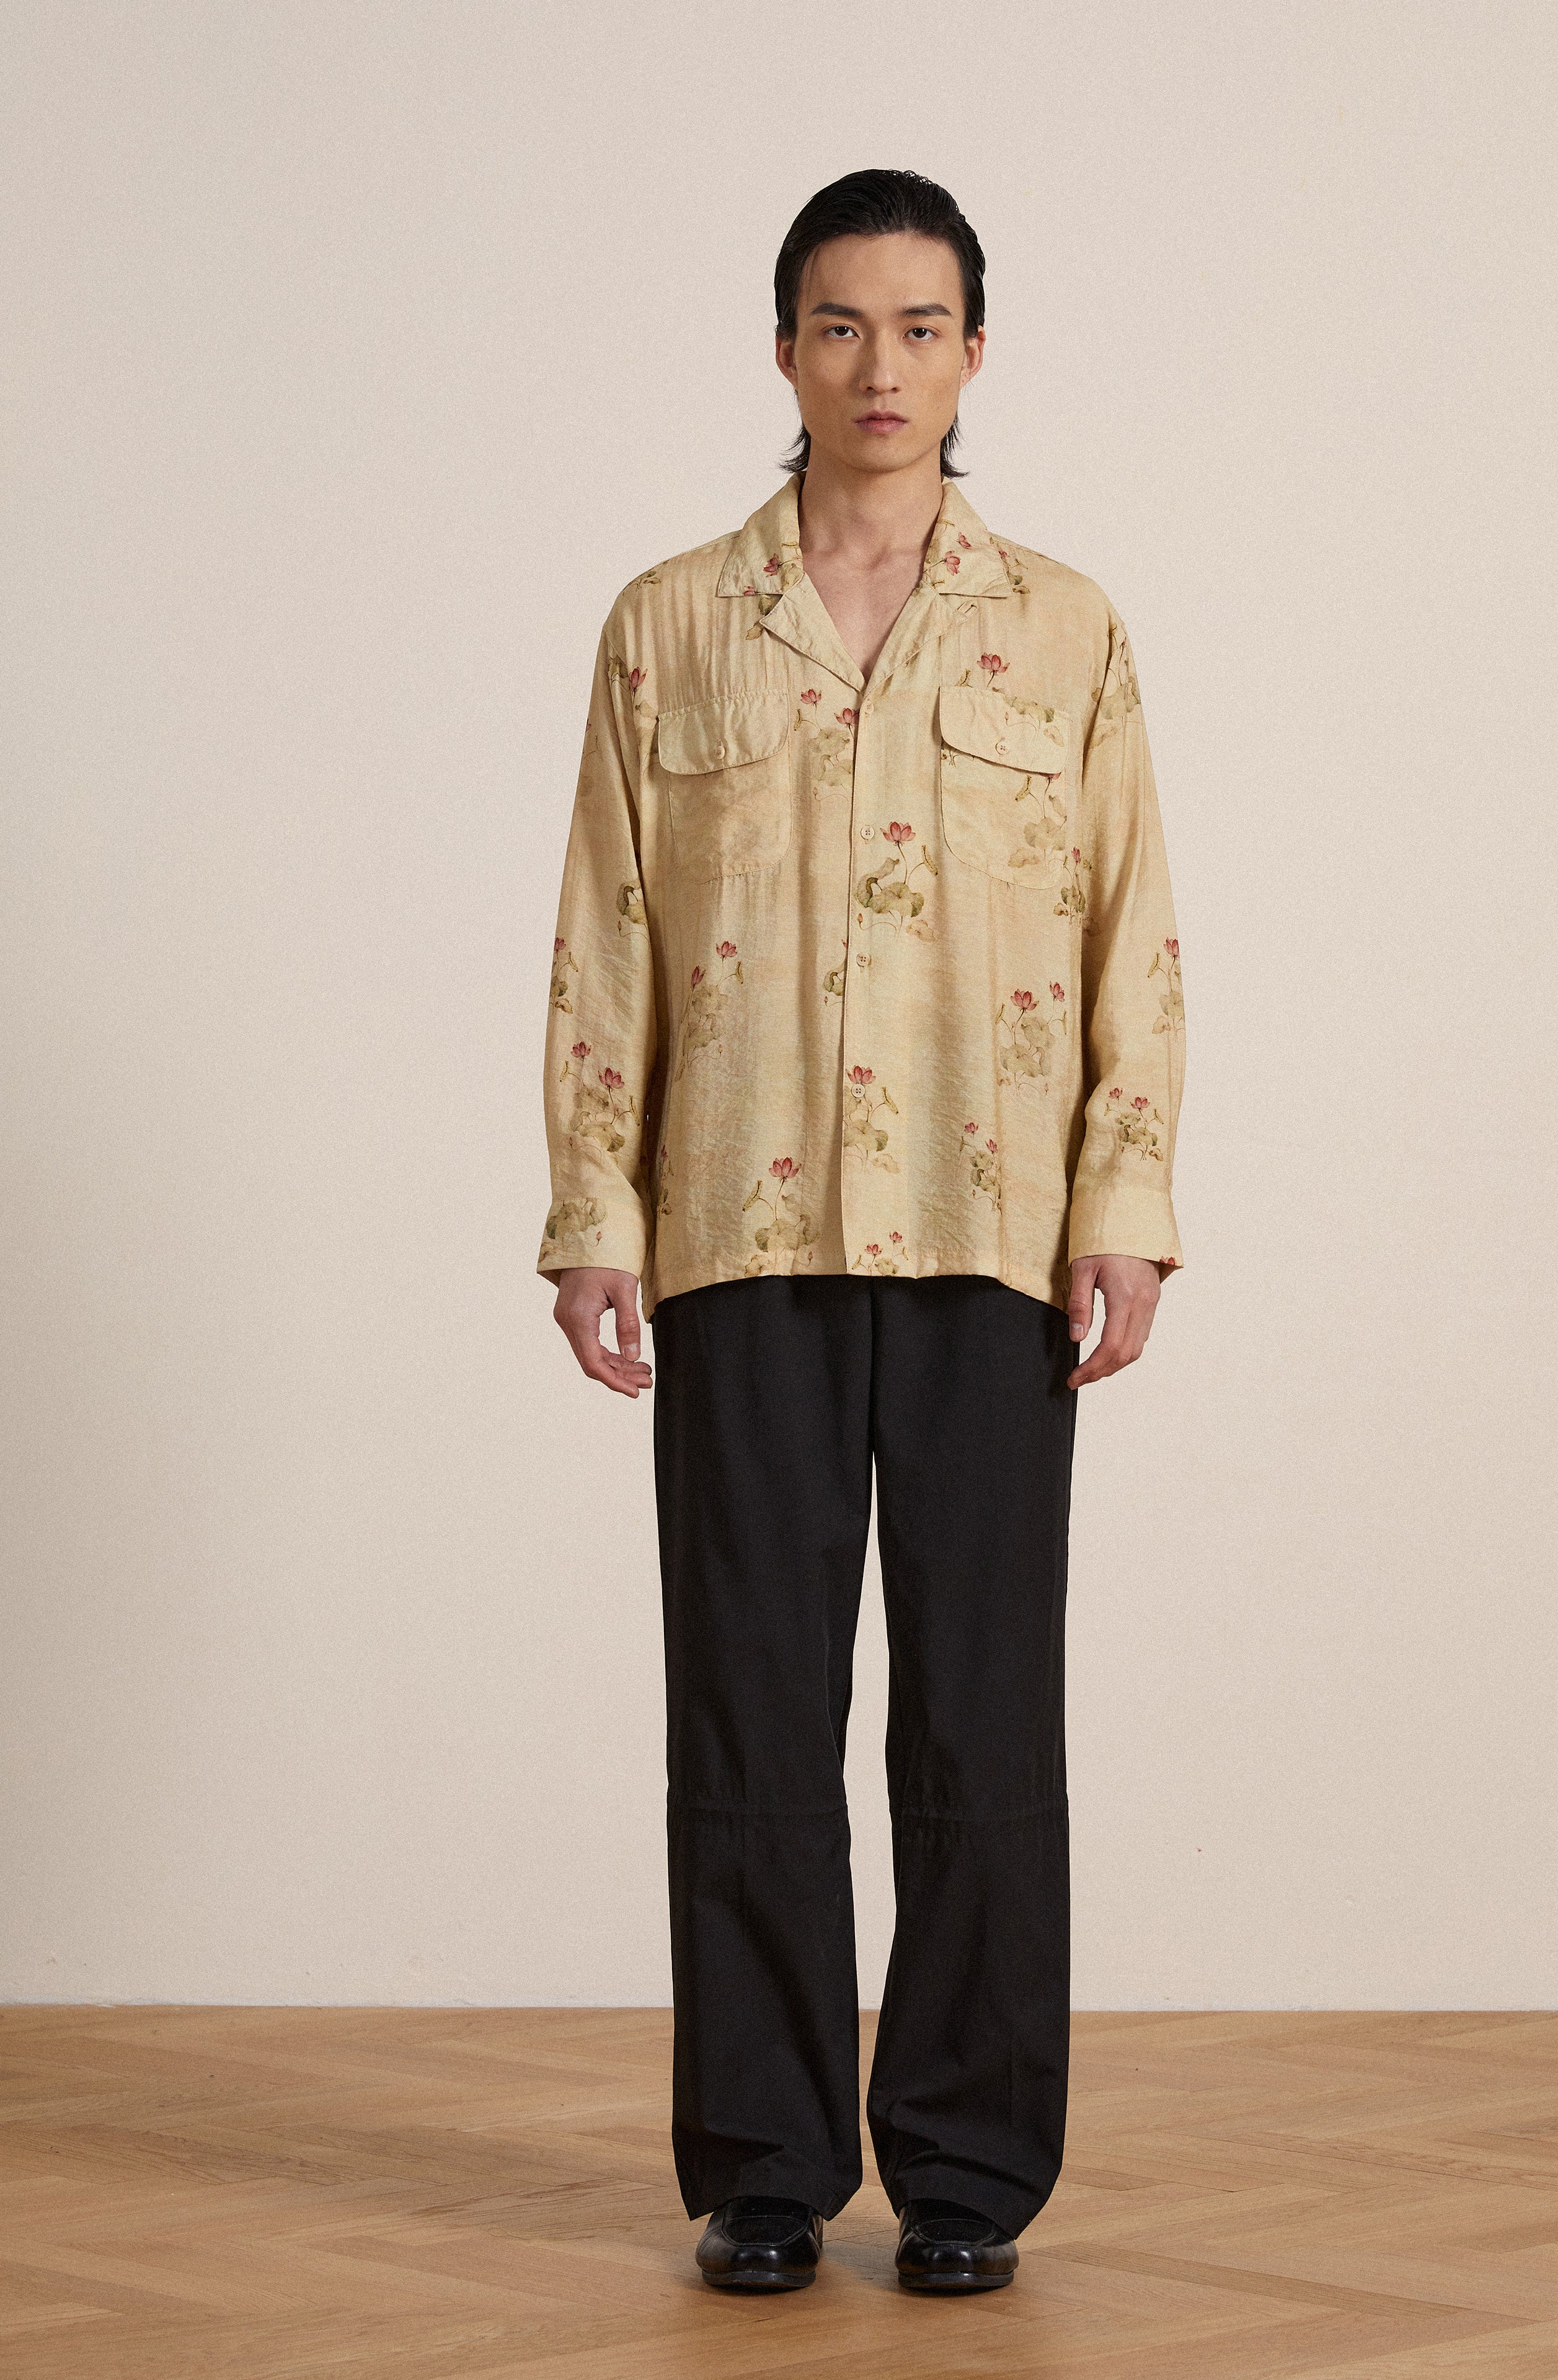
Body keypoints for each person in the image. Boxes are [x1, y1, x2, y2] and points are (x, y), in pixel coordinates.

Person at [538, 167, 1186, 2296]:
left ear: (974, 354)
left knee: (984, 1719)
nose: (879, 367)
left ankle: (975, 2174)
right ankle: (763, 2163)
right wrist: (591, 1211)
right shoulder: (666, 626)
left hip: (994, 1238)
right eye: (840, 324)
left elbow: (1132, 939)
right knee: (746, 1712)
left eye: (920, 328)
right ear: (786, 347)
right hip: (740, 1228)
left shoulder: (1066, 629)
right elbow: (603, 941)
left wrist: (1128, 1201)